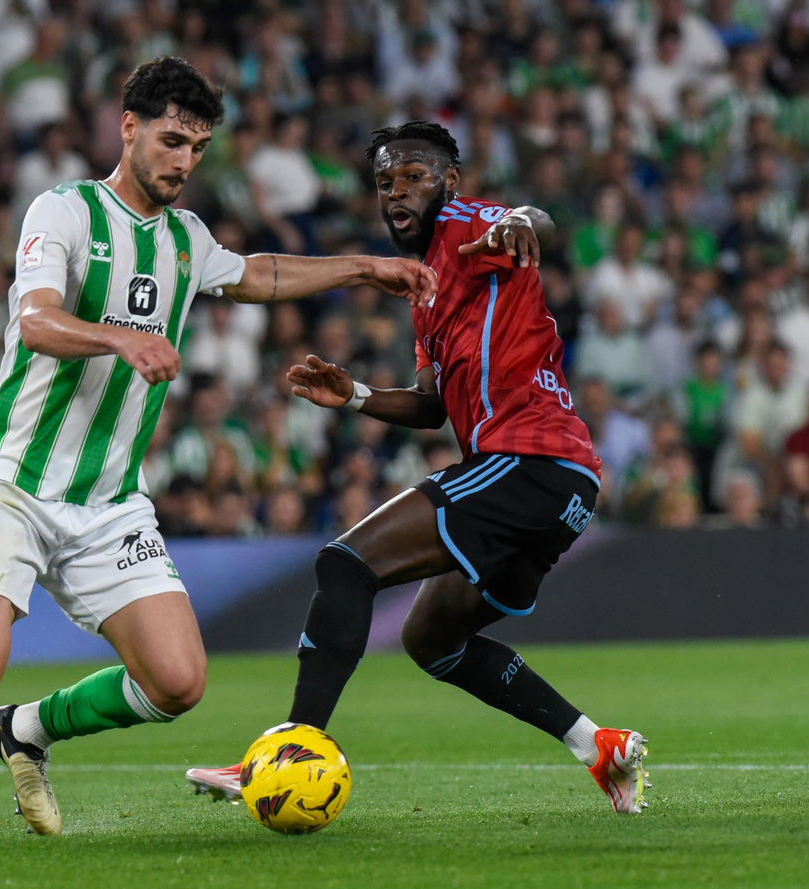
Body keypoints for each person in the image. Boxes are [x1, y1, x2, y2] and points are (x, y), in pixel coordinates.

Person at [0, 58, 435, 843]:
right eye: (170, 141)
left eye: (197, 149)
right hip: (14, 483)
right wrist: (121, 339)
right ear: (127, 128)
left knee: (177, 682)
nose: (183, 162)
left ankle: (26, 731)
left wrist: (364, 267)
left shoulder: (187, 241)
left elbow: (259, 273)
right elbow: (37, 322)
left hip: (110, 502)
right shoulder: (62, 213)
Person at [185, 121, 650, 816]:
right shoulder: (425, 288)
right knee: (431, 640)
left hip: (529, 459)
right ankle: (599, 747)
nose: (396, 190)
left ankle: (291, 749)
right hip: (560, 483)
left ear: (451, 182)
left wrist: (523, 222)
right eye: (384, 181)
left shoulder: (473, 227)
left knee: (346, 565)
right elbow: (433, 406)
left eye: (414, 175)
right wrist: (358, 396)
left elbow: (531, 221)